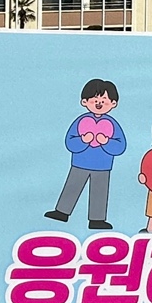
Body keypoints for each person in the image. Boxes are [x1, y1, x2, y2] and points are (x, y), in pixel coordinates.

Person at [45, 78, 126, 230]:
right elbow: (70, 142)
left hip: (102, 165)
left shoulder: (112, 124)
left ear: (113, 104)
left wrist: (106, 142)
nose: (99, 103)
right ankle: (62, 211)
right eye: (95, 100)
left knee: (99, 191)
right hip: (80, 163)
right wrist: (82, 140)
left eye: (104, 101)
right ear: (84, 102)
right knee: (72, 186)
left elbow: (120, 146)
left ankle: (97, 219)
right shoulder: (81, 121)